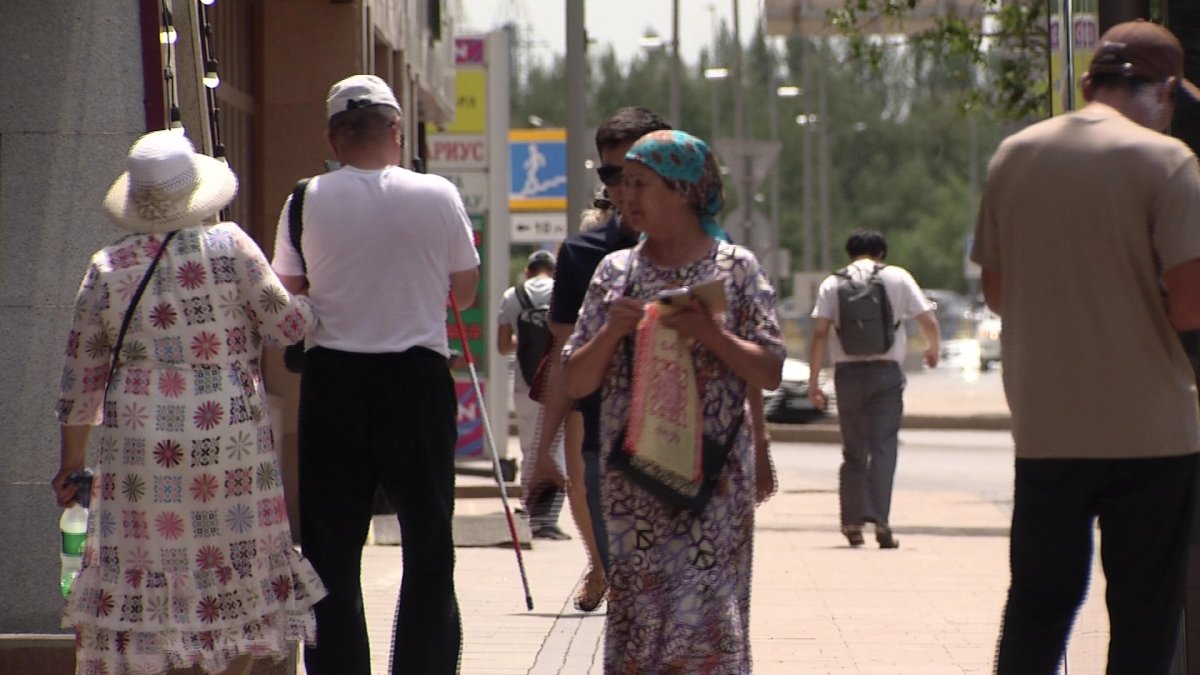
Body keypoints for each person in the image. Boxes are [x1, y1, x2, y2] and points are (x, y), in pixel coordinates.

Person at [52, 130, 326, 675]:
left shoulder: (108, 265)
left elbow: (82, 377)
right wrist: (315, 300)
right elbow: (286, 325)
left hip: (138, 446)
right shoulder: (230, 247)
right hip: (228, 439)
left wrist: (72, 464)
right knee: (237, 572)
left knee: (148, 575)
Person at [972, 20, 1200, 674]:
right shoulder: (1168, 161)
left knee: (1038, 606)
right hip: (1151, 430)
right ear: (1165, 92)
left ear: (1088, 84)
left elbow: (997, 292)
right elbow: (1191, 301)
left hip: (1048, 425)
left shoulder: (1015, 155)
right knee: (1144, 612)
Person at [270, 75, 479, 675]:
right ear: (396, 130)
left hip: (334, 381)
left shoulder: (304, 199)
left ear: (332, 138)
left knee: (331, 548)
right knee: (428, 541)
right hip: (417, 379)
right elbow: (465, 292)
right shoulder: (438, 193)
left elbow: (288, 290)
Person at [563, 129, 784, 671]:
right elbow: (574, 381)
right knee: (641, 616)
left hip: (714, 482)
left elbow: (770, 369)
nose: (626, 196)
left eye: (642, 184)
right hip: (635, 480)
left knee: (707, 615)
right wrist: (611, 332)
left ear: (684, 191)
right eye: (624, 184)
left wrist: (710, 334)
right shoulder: (616, 273)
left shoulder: (736, 269)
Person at [530, 107, 673, 612]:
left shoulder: (711, 252)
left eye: (640, 173)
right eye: (613, 174)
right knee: (633, 605)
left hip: (690, 448)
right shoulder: (583, 255)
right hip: (608, 447)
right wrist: (541, 450)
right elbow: (564, 358)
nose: (626, 188)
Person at [808, 230, 939, 549]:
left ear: (849, 253)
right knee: (883, 447)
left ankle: (852, 524)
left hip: (847, 375)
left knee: (853, 451)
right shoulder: (898, 277)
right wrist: (933, 348)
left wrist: (813, 382)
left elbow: (820, 333)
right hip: (886, 374)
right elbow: (928, 319)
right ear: (882, 253)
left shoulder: (832, 283)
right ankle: (880, 520)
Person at [496, 249, 570, 540]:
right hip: (559, 381)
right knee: (557, 449)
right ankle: (547, 518)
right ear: (553, 270)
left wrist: (526, 339)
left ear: (528, 270)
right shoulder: (562, 291)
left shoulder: (512, 296)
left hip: (525, 383)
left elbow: (503, 346)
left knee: (529, 448)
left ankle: (529, 510)